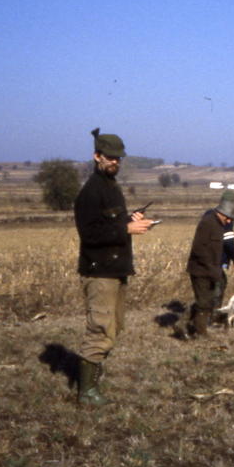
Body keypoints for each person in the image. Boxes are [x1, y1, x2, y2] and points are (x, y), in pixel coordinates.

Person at [74, 127, 154, 406]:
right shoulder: (90, 192)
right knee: (100, 330)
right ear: (97, 156)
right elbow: (89, 234)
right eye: (110, 157)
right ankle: (86, 392)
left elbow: (109, 224)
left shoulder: (111, 187)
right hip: (100, 273)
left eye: (118, 158)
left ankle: (93, 382)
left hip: (116, 270)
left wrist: (130, 219)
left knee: (113, 328)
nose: (115, 162)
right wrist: (126, 229)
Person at [183, 191, 234, 338]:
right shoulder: (208, 222)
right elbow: (198, 249)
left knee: (206, 300)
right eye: (227, 217)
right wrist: (211, 268)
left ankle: (185, 325)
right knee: (204, 303)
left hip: (211, 268)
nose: (229, 221)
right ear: (221, 213)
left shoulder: (219, 224)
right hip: (201, 269)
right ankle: (200, 332)